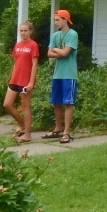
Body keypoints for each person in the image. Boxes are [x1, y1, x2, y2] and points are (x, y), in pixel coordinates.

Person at [42, 9, 78, 144]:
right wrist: (59, 51)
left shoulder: (73, 34)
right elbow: (49, 54)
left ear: (65, 19)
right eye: (55, 20)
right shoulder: (55, 35)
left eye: (58, 20)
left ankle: (66, 133)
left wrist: (58, 51)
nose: (55, 22)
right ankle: (58, 129)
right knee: (56, 102)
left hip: (69, 74)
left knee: (68, 103)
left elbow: (66, 53)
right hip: (57, 74)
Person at [3, 19, 39, 143]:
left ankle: (27, 134)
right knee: (7, 104)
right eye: (21, 31)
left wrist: (31, 82)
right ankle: (22, 125)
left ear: (30, 31)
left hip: (26, 81)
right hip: (15, 80)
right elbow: (16, 63)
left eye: (25, 31)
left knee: (25, 106)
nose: (23, 33)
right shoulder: (18, 45)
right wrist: (12, 77)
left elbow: (34, 64)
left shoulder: (33, 45)